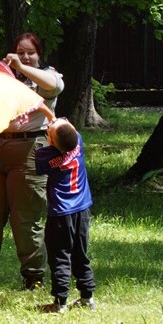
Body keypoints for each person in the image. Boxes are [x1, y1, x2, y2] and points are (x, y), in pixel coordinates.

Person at [0, 32, 64, 292]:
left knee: (25, 217)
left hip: (31, 149)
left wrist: (23, 67)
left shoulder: (45, 75)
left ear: (39, 54)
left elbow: (55, 87)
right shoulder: (4, 79)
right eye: (20, 52)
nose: (25, 57)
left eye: (30, 52)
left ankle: (34, 277)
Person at [35, 117, 96, 313]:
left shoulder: (44, 155)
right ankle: (87, 298)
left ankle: (59, 302)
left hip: (60, 214)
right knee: (80, 254)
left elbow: (42, 166)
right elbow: (66, 132)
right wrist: (59, 126)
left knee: (59, 256)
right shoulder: (77, 140)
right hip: (82, 210)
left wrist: (50, 132)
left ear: (51, 141)